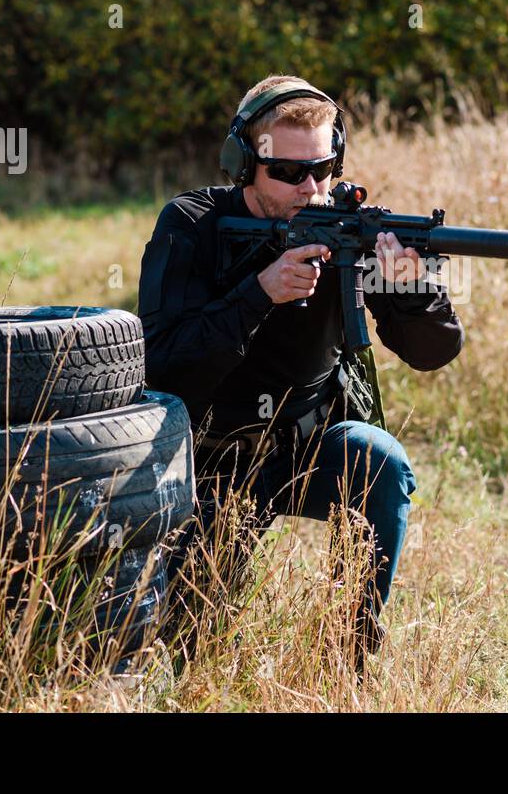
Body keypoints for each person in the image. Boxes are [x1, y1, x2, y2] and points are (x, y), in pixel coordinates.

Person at [136, 74, 463, 672]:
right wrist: (258, 294)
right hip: (214, 464)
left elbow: (434, 351)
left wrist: (410, 291)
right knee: (184, 650)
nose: (310, 188)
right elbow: (165, 367)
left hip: (309, 449)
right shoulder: (193, 227)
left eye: (324, 168)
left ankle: (346, 658)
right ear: (243, 164)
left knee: (380, 460)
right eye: (287, 173)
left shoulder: (349, 232)